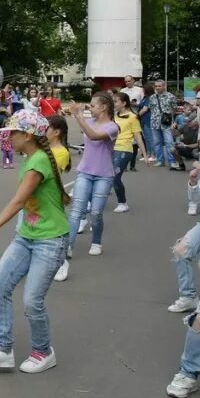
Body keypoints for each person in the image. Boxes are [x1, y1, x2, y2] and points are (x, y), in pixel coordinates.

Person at [0, 110, 70, 374]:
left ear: (27, 135)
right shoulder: (30, 158)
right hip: (26, 236)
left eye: (12, 133)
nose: (8, 138)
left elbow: (18, 202)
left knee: (32, 300)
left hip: (50, 240)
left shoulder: (37, 163)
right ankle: (3, 350)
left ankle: (43, 352)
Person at [55, 92, 119, 282]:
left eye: (93, 105)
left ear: (104, 107)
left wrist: (79, 116)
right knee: (76, 211)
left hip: (104, 174)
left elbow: (94, 136)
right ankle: (68, 247)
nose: (90, 107)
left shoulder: (112, 127)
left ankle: (96, 241)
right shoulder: (89, 121)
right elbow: (84, 129)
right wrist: (77, 113)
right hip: (84, 171)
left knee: (96, 213)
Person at [164, 134, 200, 398]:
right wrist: (192, 181)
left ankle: (188, 373)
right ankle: (188, 296)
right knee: (180, 251)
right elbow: (197, 199)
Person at [111, 91, 151, 213]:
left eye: (116, 101)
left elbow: (138, 137)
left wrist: (145, 155)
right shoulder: (114, 115)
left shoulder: (133, 117)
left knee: (115, 176)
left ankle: (122, 202)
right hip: (111, 149)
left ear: (124, 103)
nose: (114, 103)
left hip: (124, 149)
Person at [148, 79, 180, 169]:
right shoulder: (152, 97)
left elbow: (174, 109)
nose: (157, 88)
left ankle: (172, 161)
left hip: (166, 123)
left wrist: (171, 119)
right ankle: (160, 160)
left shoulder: (171, 96)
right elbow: (151, 109)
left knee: (169, 142)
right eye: (156, 86)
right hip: (154, 122)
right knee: (157, 142)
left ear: (164, 86)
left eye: (159, 86)